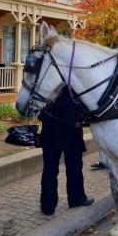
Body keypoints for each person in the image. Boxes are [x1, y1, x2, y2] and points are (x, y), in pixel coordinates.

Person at [38, 86, 94, 215]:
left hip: (50, 130)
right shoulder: (74, 83)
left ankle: (48, 205)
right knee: (74, 167)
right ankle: (76, 198)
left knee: (49, 168)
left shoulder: (47, 83)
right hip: (71, 130)